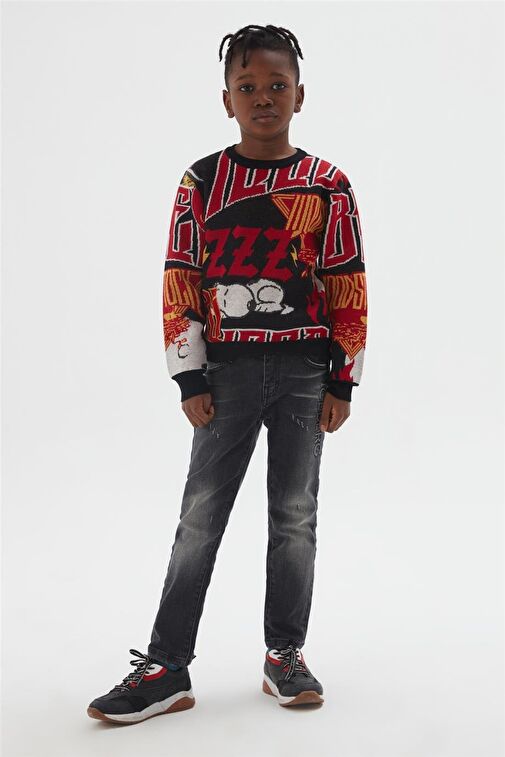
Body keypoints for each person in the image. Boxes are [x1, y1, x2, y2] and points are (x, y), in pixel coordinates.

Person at [87, 23, 367, 725]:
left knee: (294, 517)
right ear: (226, 100)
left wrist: (342, 379)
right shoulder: (201, 182)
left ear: (299, 95)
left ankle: (284, 654)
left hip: (305, 372)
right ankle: (167, 666)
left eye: (276, 85)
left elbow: (346, 279)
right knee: (199, 517)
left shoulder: (327, 185)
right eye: (248, 86)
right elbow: (180, 275)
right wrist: (189, 375)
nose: (262, 97)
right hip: (227, 374)